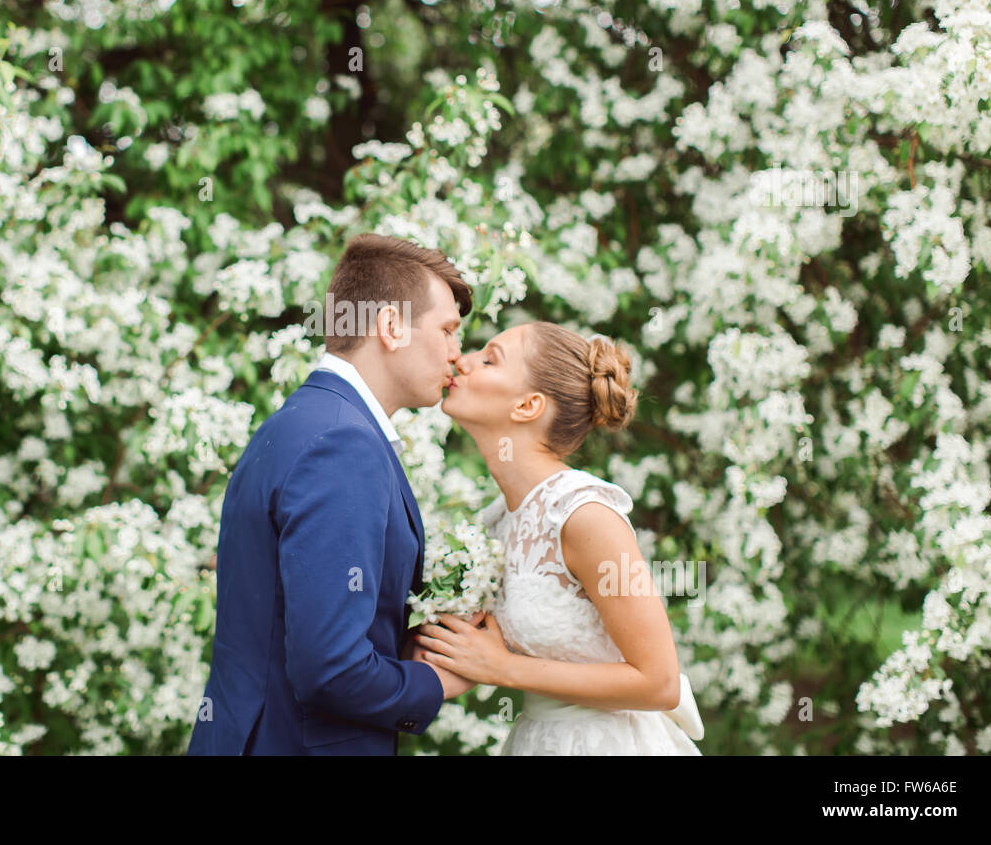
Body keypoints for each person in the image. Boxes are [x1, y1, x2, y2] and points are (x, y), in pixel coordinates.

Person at [187, 233, 477, 755]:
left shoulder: (300, 421)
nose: (458, 353)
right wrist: (435, 683)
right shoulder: (344, 444)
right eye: (449, 330)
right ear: (390, 327)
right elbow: (330, 668)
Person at [414, 321, 704, 754]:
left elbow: (659, 682)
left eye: (489, 359)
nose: (462, 360)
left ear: (528, 405)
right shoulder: (496, 521)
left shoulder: (585, 516)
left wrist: (503, 668)